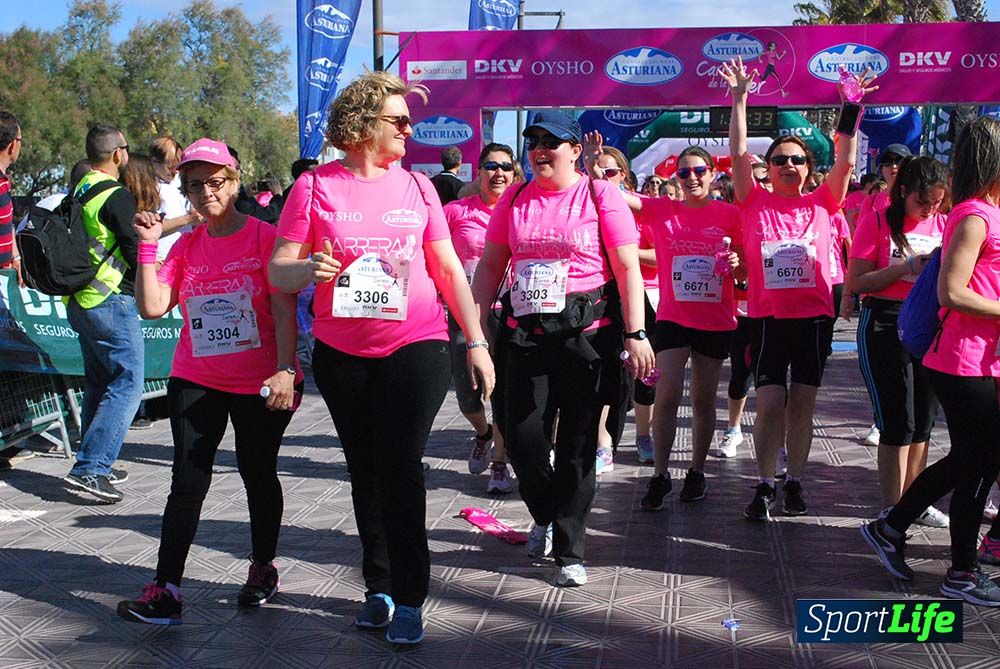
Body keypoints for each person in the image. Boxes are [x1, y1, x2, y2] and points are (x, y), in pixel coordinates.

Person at [270, 71, 494, 644]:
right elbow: (278, 272)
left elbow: (448, 269)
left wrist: (475, 341)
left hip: (416, 344)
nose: (409, 130)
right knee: (364, 470)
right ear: (363, 124)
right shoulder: (314, 186)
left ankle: (412, 597)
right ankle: (380, 588)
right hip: (342, 354)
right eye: (399, 120)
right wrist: (307, 269)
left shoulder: (419, 187)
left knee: (400, 464)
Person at [116, 138, 302, 625]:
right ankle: (166, 589)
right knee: (187, 478)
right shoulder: (186, 246)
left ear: (234, 183)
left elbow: (285, 313)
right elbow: (152, 306)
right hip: (197, 376)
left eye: (215, 182)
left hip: (259, 380)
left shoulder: (264, 238)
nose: (206, 193)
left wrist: (286, 369)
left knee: (257, 472)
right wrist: (148, 247)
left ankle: (263, 567)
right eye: (194, 186)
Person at [471, 110, 655, 588]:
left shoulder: (600, 195)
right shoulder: (515, 197)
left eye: (550, 141)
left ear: (575, 150)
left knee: (576, 447)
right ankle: (546, 514)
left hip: (586, 338)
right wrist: (475, 332)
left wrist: (636, 333)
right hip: (525, 336)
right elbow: (490, 266)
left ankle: (570, 549)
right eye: (533, 141)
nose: (539, 150)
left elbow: (627, 268)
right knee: (522, 438)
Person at [720, 56, 875, 520]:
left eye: (797, 160)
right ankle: (764, 483)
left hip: (814, 320)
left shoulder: (825, 201)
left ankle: (795, 482)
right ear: (767, 168)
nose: (788, 165)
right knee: (769, 404)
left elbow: (846, 159)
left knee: (802, 406)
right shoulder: (753, 201)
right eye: (779, 160)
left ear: (809, 167)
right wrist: (740, 98)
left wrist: (851, 107)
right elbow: (737, 151)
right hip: (768, 320)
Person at [861, 117, 1000, 606]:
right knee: (978, 463)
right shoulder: (974, 216)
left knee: (972, 459)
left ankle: (891, 527)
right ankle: (960, 572)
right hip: (962, 361)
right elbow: (951, 292)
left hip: (982, 361)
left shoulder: (987, 213)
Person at [617, 147, 743, 509]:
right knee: (667, 394)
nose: (692, 178)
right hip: (673, 318)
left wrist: (737, 263)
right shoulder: (663, 209)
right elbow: (619, 196)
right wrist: (595, 167)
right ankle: (660, 474)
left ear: (712, 174)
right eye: (684, 173)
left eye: (699, 171)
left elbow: (747, 267)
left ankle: (697, 472)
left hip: (715, 320)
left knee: (703, 400)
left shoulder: (730, 214)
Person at [844, 156, 949, 528]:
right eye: (923, 202)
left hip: (929, 324)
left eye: (937, 203)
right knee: (896, 420)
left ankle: (913, 501)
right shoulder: (877, 221)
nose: (930, 210)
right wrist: (906, 267)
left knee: (923, 420)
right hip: (885, 321)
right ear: (903, 192)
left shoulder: (945, 224)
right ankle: (892, 509)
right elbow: (858, 281)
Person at [61, 124, 143, 503]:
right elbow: (133, 249)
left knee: (99, 382)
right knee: (128, 383)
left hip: (79, 301)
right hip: (110, 300)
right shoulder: (115, 195)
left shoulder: (79, 189)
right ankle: (92, 467)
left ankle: (93, 460)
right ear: (117, 154)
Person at [444, 142, 519, 493]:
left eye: (505, 166)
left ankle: (499, 463)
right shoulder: (456, 212)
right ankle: (483, 432)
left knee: (503, 392)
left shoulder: (521, 211)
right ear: (478, 173)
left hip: (511, 313)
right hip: (467, 313)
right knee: (467, 397)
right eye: (491, 166)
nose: (498, 172)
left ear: (514, 174)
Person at [581, 138, 651, 472]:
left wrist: (626, 252)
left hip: (645, 297)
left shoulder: (642, 207)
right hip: (603, 299)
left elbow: (664, 253)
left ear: (623, 174)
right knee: (606, 373)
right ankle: (603, 442)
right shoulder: (585, 204)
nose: (603, 177)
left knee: (644, 377)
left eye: (610, 172)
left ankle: (644, 435)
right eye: (597, 171)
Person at [150, 137, 201, 262]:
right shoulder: (148, 185)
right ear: (154, 161)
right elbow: (150, 229)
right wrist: (187, 219)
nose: (174, 171)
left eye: (177, 166)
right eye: (169, 166)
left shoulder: (180, 180)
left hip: (186, 253)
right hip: (162, 257)